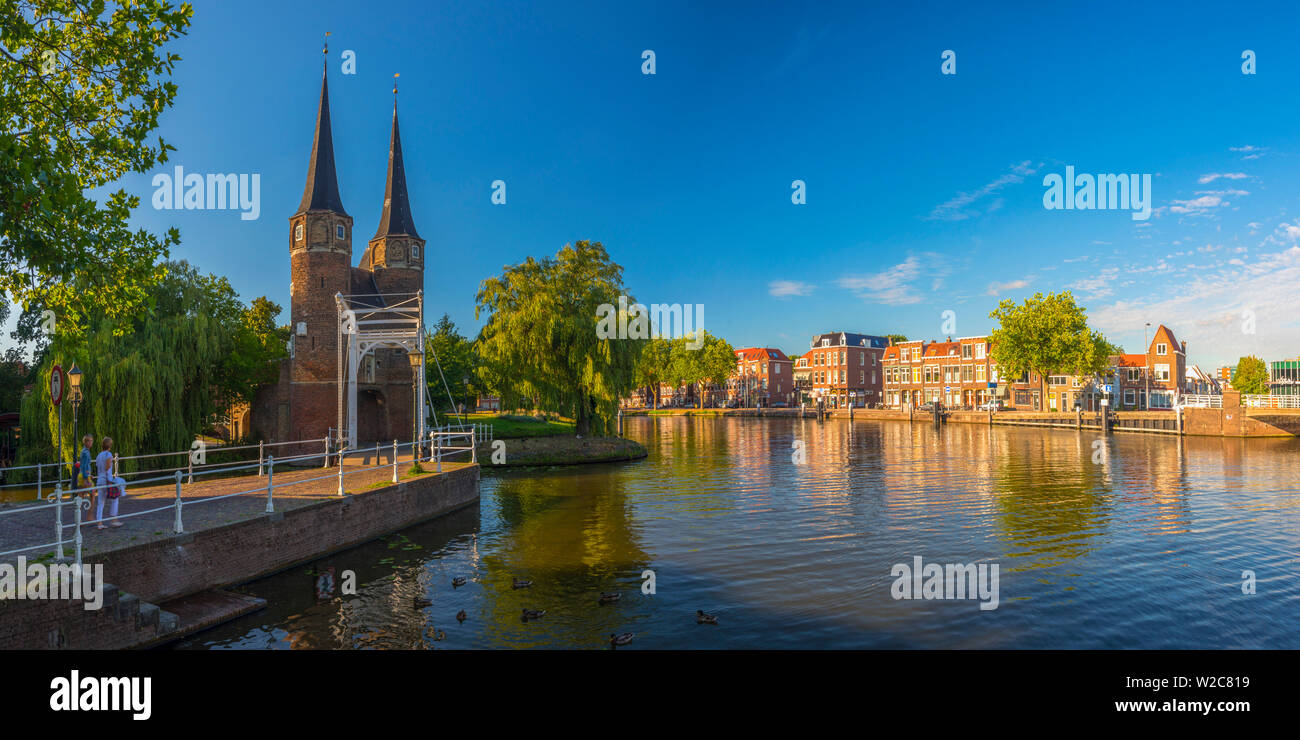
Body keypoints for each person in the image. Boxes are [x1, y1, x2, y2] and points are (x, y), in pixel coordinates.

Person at [94, 436, 126, 529]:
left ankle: (99, 523)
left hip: (100, 480)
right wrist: (109, 465)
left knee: (100, 502)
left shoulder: (99, 455)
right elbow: (107, 467)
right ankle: (114, 520)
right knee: (115, 499)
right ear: (109, 445)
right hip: (107, 480)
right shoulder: (108, 454)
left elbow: (98, 466)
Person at [78, 434, 96, 511]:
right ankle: (90, 515)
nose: (91, 442)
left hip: (82, 475)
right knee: (92, 493)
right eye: (89, 441)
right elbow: (85, 465)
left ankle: (79, 517)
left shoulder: (84, 451)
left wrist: (89, 475)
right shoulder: (86, 453)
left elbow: (83, 466)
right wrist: (86, 478)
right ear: (85, 442)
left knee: (81, 495)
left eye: (91, 440)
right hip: (84, 476)